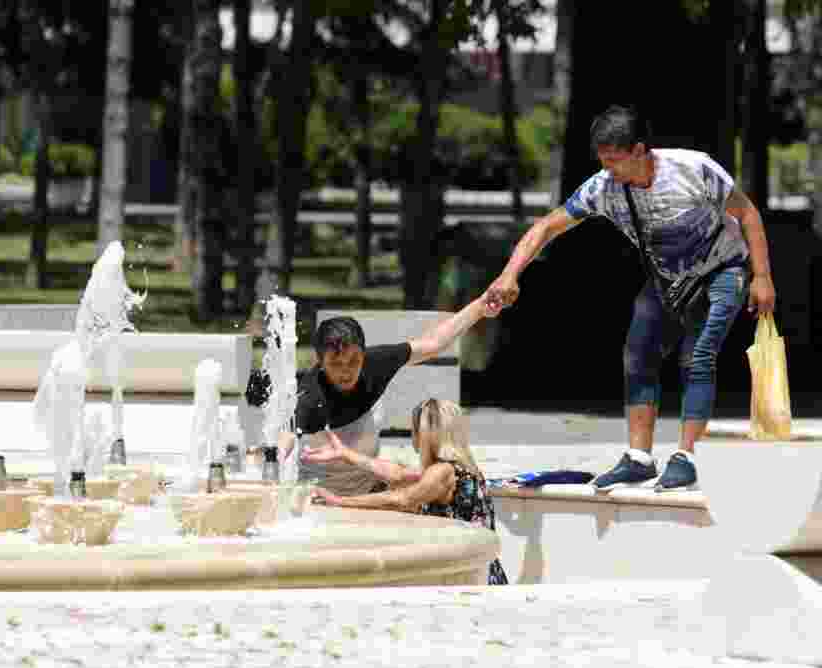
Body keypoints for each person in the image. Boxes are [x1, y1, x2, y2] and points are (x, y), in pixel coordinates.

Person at [482, 105, 777, 493]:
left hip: (724, 269)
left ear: (640, 150)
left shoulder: (694, 169)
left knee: (697, 355)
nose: (609, 170)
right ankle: (639, 458)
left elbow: (748, 213)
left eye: (615, 161)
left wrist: (763, 276)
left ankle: (685, 457)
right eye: (603, 161)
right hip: (668, 280)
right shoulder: (604, 187)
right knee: (638, 354)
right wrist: (509, 274)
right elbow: (547, 226)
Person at [284, 295, 495, 496]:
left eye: (353, 361)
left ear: (363, 354)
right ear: (320, 362)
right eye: (335, 364)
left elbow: (433, 343)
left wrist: (481, 305)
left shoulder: (374, 364)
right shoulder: (310, 396)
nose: (346, 371)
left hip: (369, 485)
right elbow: (284, 440)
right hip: (318, 495)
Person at [303, 398, 508, 586]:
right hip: (482, 572)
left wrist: (339, 501)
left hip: (472, 581)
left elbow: (403, 500)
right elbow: (397, 475)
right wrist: (345, 454)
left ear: (424, 434)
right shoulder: (460, 469)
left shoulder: (441, 472)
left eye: (414, 430)